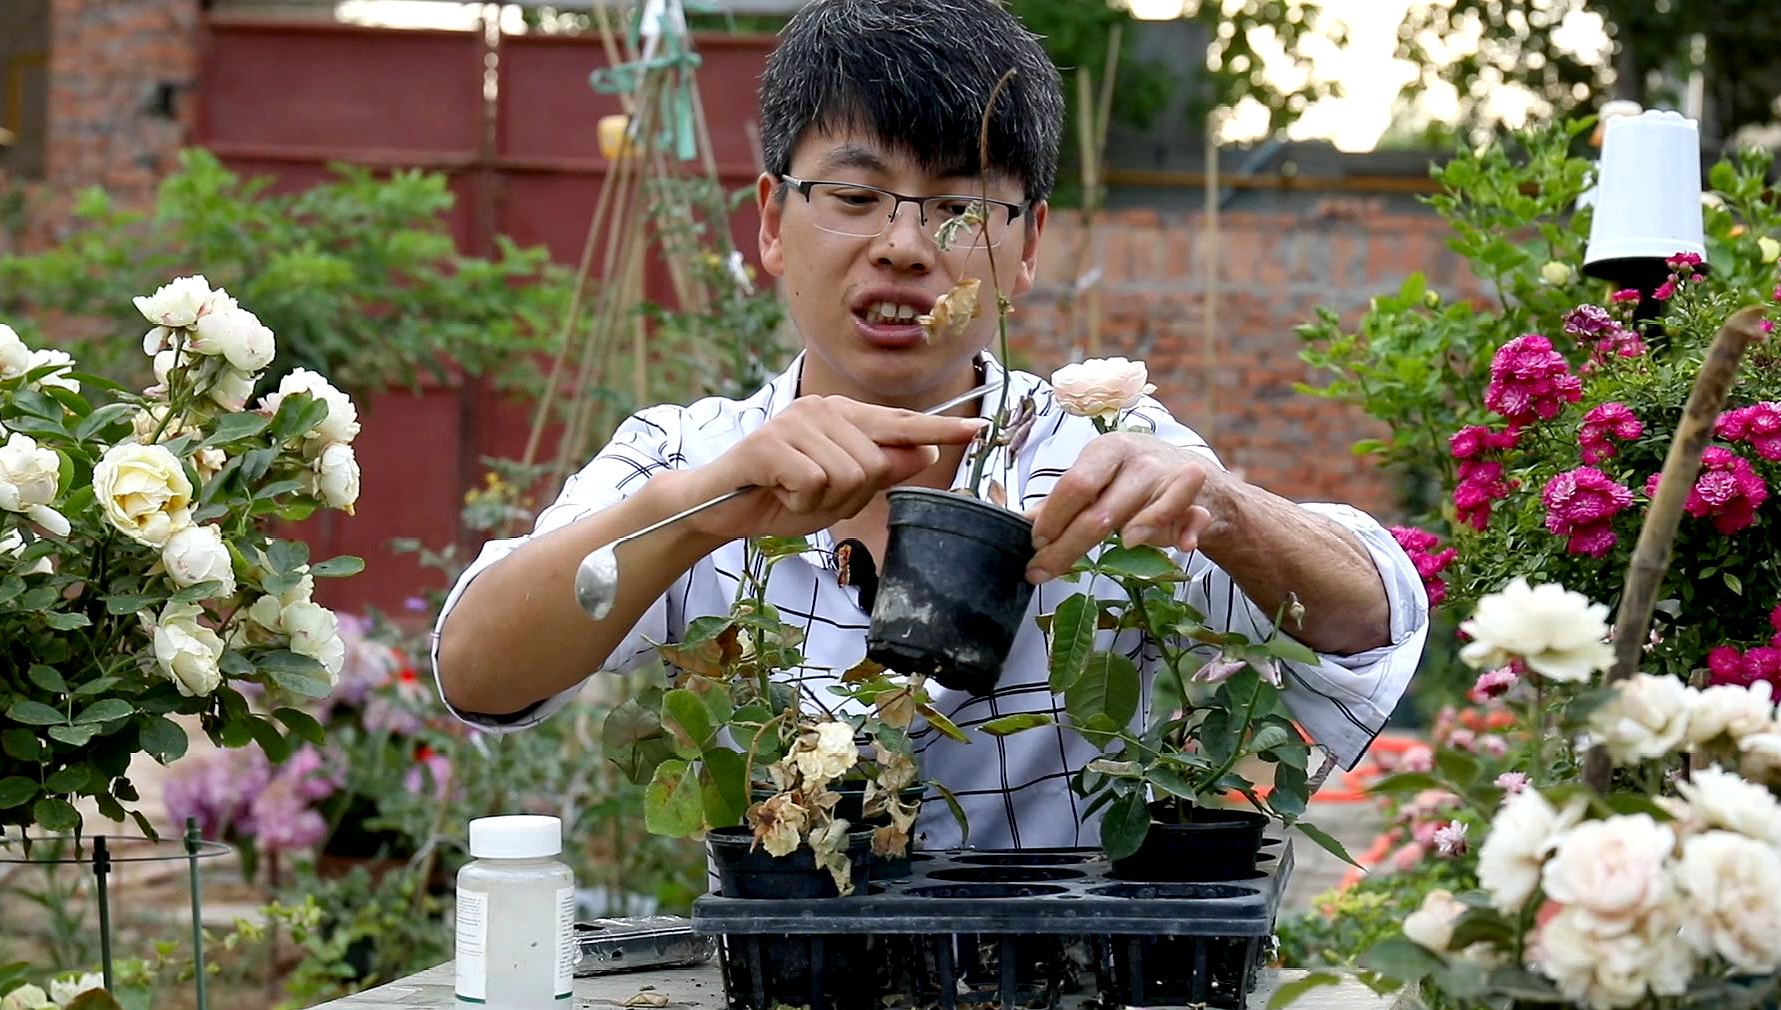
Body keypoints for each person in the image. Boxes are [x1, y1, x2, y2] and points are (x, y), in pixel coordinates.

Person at [433, 0, 1429, 851]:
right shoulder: (689, 454)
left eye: (959, 208)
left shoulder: (1097, 451)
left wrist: (1222, 507)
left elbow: (1366, 628)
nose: (905, 248)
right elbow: (476, 671)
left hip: (1056, 1009)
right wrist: (695, 512)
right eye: (858, 197)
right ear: (774, 222)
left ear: (1028, 243)